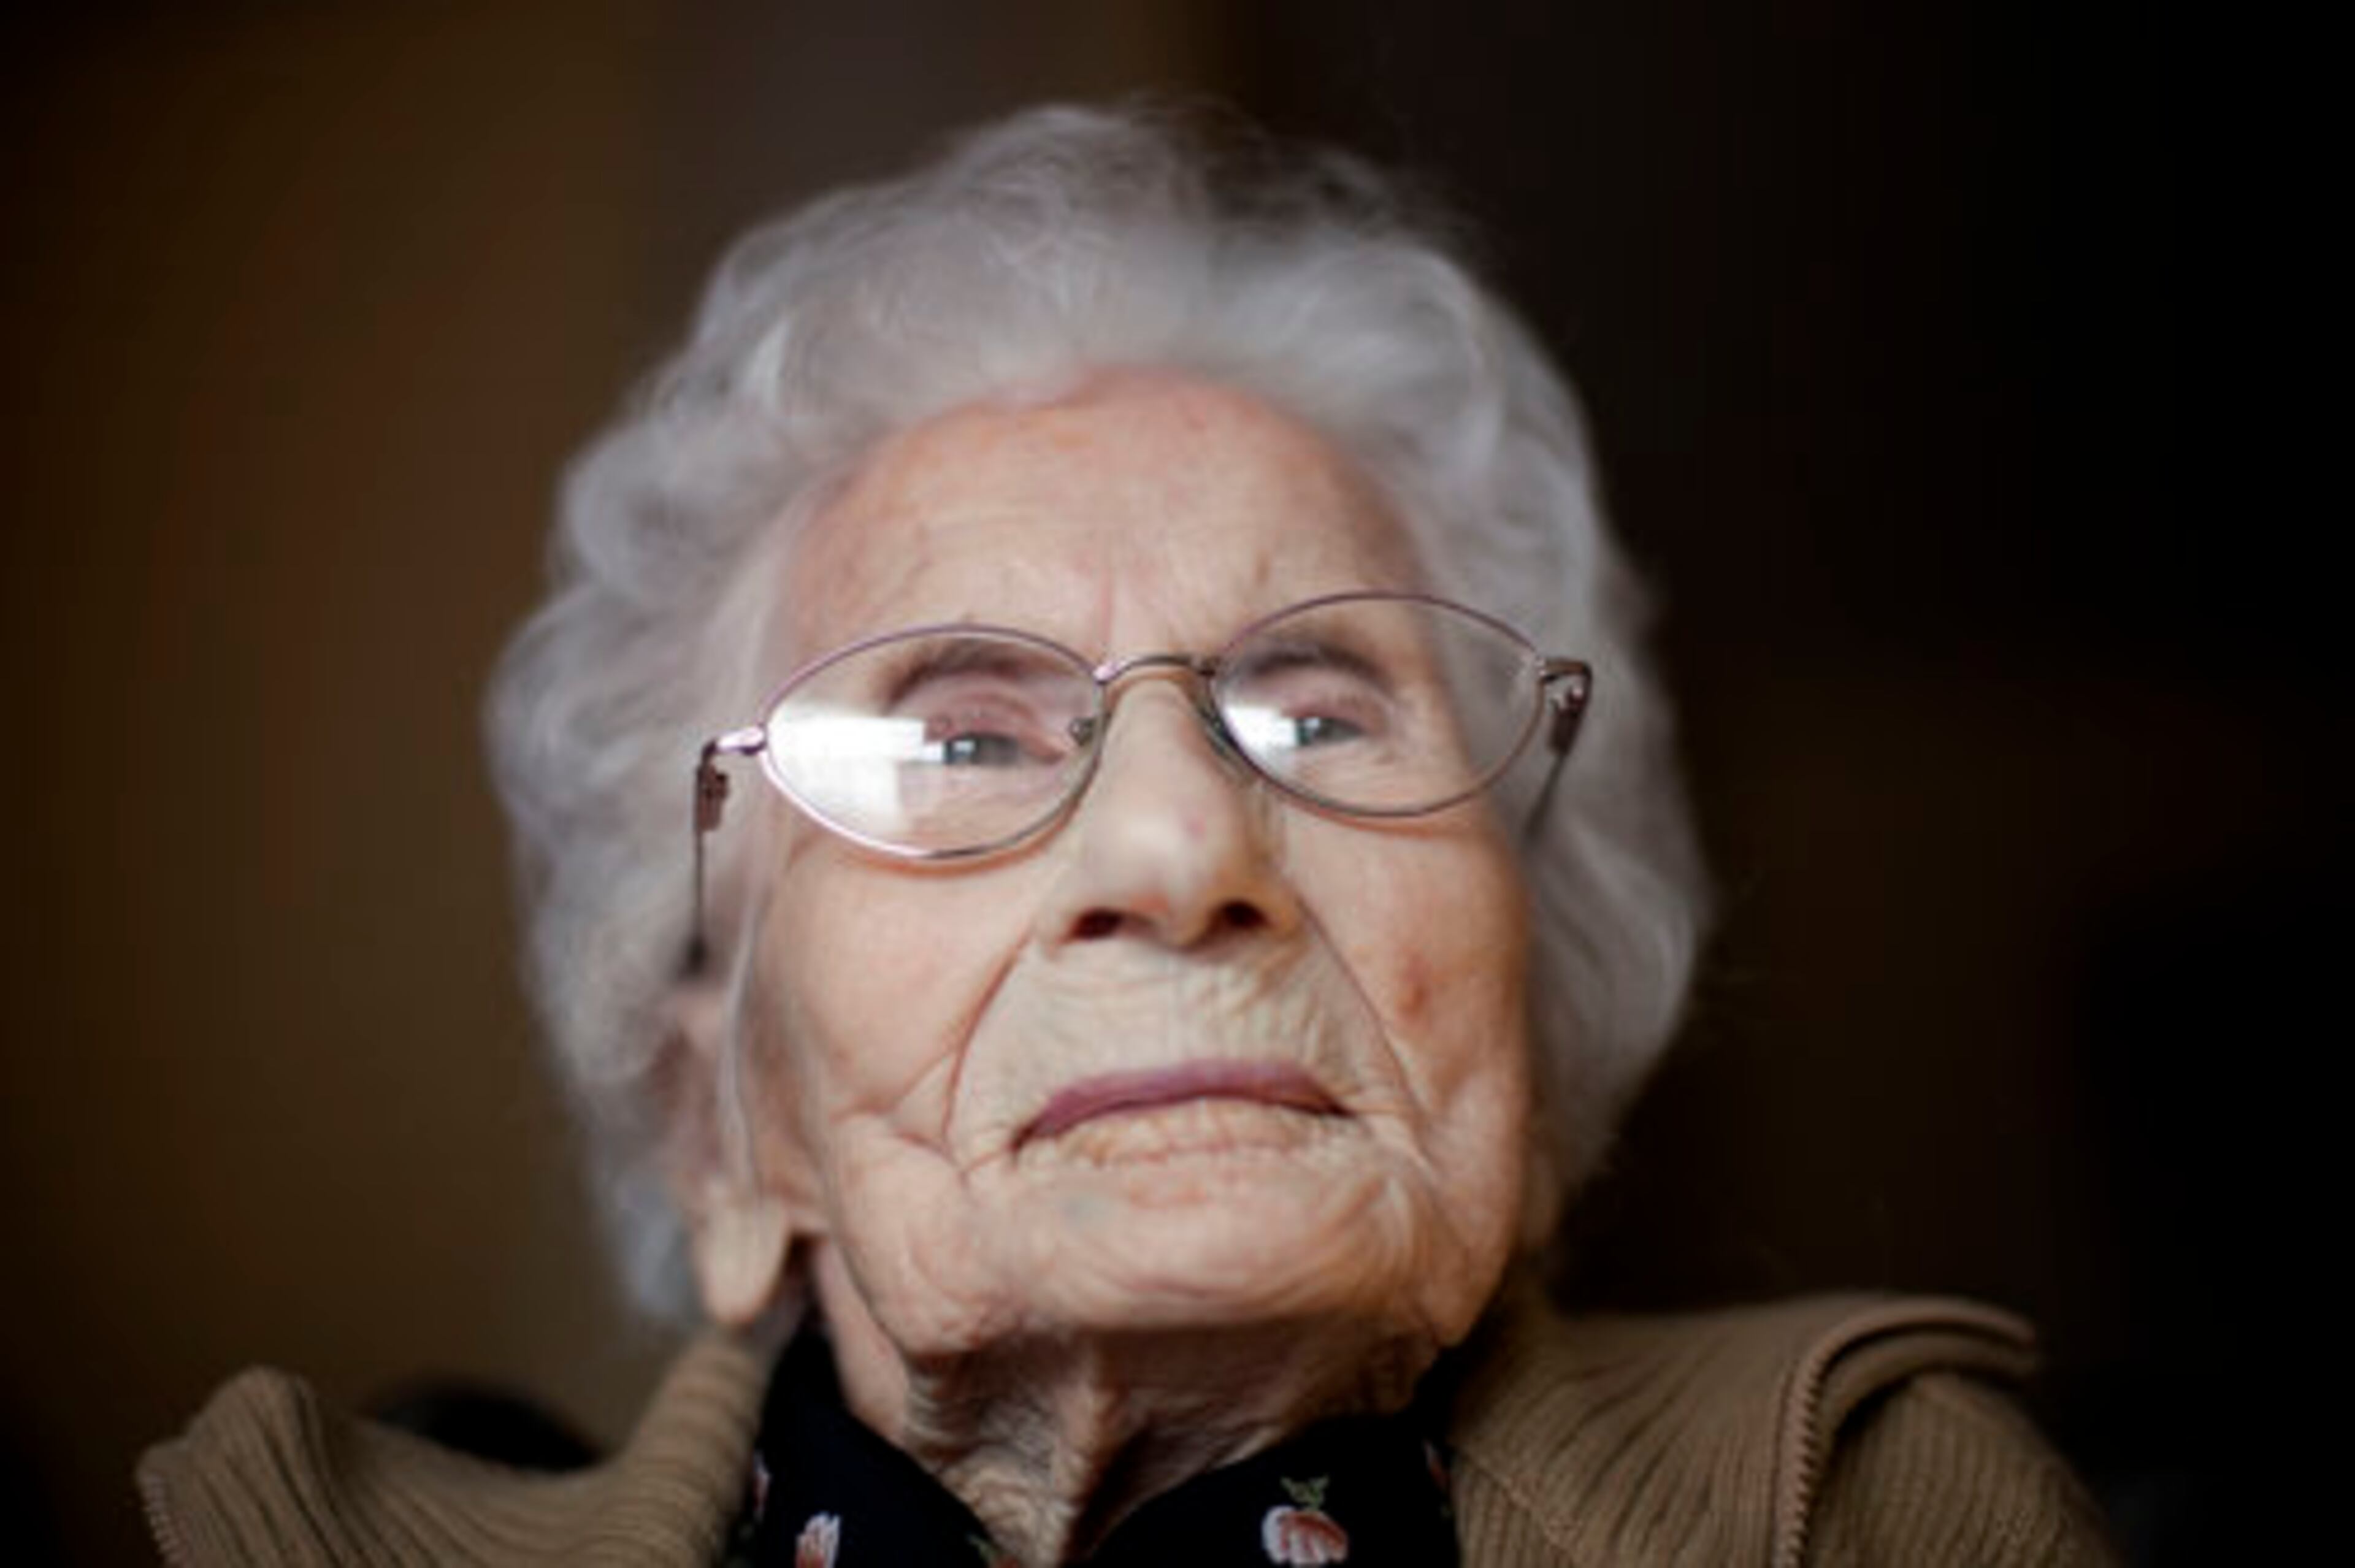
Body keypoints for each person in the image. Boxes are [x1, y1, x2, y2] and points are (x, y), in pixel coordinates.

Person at [139, 104, 2113, 1565]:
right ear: (719, 1123)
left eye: (1321, 709)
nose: (1180, 850)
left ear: (1527, 1010)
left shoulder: (1891, 1513)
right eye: (963, 746)